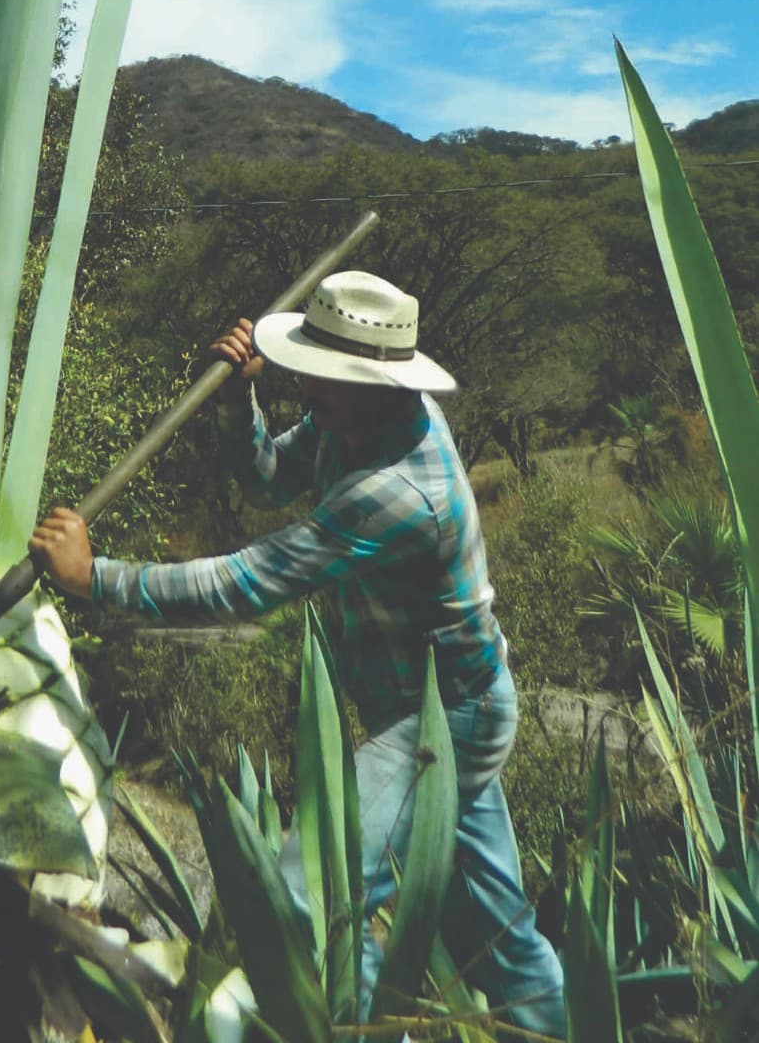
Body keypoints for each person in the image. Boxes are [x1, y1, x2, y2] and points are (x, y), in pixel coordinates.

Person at [29, 269, 567, 1040]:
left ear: (378, 384)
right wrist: (237, 397)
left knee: (310, 894)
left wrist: (95, 579)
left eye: (325, 373)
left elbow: (247, 582)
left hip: (442, 723)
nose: (306, 384)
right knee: (503, 939)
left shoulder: (399, 488)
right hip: (438, 708)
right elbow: (267, 477)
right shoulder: (353, 422)